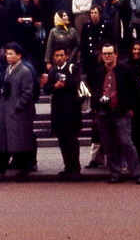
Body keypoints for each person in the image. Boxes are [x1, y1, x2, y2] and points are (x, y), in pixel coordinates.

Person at [88, 43, 140, 184]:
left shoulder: (126, 70)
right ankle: (115, 173)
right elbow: (94, 90)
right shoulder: (98, 71)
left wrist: (130, 108)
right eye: (105, 54)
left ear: (116, 55)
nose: (107, 56)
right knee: (108, 144)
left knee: (126, 142)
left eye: (109, 53)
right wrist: (96, 107)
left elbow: (136, 89)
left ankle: (136, 173)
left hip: (121, 112)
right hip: (103, 113)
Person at [0, 43, 37, 178]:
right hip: (7, 110)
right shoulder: (8, 69)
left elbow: (28, 92)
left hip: (18, 112)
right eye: (7, 53)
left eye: (11, 54)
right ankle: (10, 163)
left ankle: (25, 166)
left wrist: (17, 106)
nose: (8, 56)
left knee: (21, 139)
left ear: (19, 56)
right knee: (8, 138)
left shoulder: (25, 71)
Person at [42, 47, 83, 179]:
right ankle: (67, 166)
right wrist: (54, 86)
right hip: (58, 111)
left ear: (66, 56)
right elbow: (47, 89)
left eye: (61, 55)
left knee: (71, 140)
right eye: (56, 56)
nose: (59, 58)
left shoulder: (72, 69)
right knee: (62, 140)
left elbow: (76, 83)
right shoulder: (53, 71)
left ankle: (75, 168)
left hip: (71, 110)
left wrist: (63, 85)